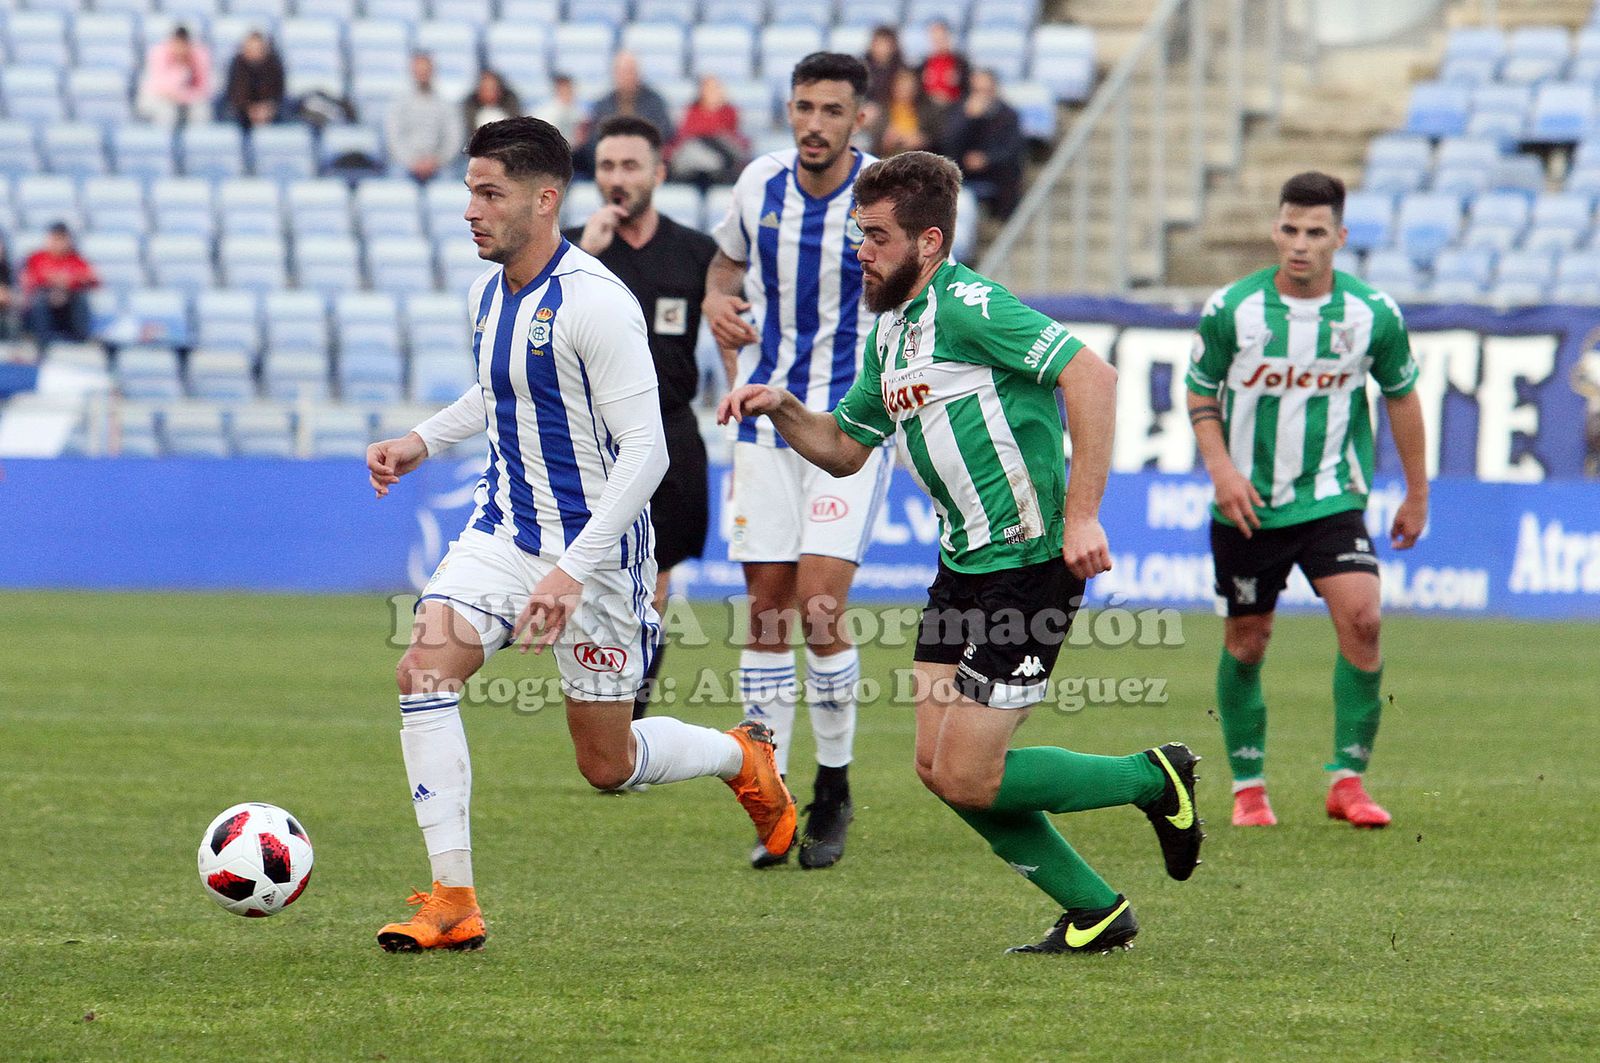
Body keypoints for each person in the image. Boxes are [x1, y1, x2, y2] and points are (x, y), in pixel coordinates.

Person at [717, 150, 1203, 953]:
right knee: (939, 770)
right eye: (856, 234)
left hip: (1030, 564)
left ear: (930, 242)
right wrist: (780, 407)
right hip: (960, 572)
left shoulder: (970, 304)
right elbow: (843, 447)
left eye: (875, 236)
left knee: (975, 774)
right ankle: (1096, 910)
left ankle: (1156, 776)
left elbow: (1093, 377)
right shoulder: (889, 335)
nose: (860, 251)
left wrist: (1083, 517)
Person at [364, 117, 795, 952]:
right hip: (503, 530)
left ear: (544, 199)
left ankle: (742, 756)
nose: (471, 212)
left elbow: (649, 453)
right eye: (470, 192)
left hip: (597, 555)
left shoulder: (597, 303)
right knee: (423, 669)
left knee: (607, 762)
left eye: (489, 194)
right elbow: (501, 391)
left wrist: (570, 571)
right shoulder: (485, 292)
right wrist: (422, 439)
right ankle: (453, 898)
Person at [1185, 171, 1428, 830]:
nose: (1299, 244)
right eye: (1289, 229)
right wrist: (1222, 471)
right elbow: (1201, 391)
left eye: (1315, 232)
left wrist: (1416, 492)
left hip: (1331, 497)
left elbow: (1402, 396)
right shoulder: (1232, 308)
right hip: (1247, 503)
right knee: (1248, 639)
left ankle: (1347, 778)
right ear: (1275, 229)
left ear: (1339, 238)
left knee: (1364, 618)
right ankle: (1248, 786)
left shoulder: (1371, 314)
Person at [702, 52, 891, 871]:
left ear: (860, 120)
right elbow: (724, 264)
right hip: (760, 425)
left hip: (847, 424)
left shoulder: (886, 193)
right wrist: (716, 298)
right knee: (768, 610)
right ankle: (771, 797)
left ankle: (835, 785)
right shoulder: (759, 185)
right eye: (803, 107)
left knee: (819, 605)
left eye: (832, 110)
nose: (814, 124)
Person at [564, 116, 719, 721]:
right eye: (606, 167)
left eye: (630, 166)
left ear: (659, 172)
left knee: (654, 581)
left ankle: (633, 717)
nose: (617, 179)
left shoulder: (696, 253)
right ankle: (602, 711)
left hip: (668, 428)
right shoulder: (571, 251)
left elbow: (738, 326)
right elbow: (535, 329)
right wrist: (585, 254)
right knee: (596, 583)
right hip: (591, 437)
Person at [941, 69, 1024, 219]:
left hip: (996, 168)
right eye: (977, 91)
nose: (982, 95)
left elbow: (1011, 148)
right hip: (964, 165)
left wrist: (987, 159)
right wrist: (968, 119)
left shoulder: (1008, 114)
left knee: (1011, 173)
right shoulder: (958, 111)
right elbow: (949, 143)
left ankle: (1002, 219)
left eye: (986, 90)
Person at [385, 52, 464, 184]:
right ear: (412, 72)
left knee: (451, 182)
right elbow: (393, 139)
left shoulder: (446, 104)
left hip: (439, 165)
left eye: (425, 71)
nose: (422, 75)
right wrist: (412, 162)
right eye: (418, 71)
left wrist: (437, 161)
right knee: (395, 181)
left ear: (432, 71)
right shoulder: (397, 104)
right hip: (405, 165)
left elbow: (454, 139)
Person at [22, 223, 99, 348]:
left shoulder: (76, 259)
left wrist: (68, 283)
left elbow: (93, 280)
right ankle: (42, 344)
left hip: (68, 304)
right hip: (43, 302)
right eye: (55, 239)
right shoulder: (36, 258)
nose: (58, 243)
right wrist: (52, 283)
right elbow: (28, 281)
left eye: (61, 239)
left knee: (81, 298)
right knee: (40, 299)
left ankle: (80, 343)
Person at [666, 75, 748, 186]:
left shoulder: (730, 113)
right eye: (709, 89)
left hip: (722, 162)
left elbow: (732, 141)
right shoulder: (691, 112)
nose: (714, 93)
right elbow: (686, 137)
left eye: (716, 88)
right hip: (694, 163)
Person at [588, 52, 675, 148]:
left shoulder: (655, 102)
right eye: (622, 72)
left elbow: (665, 133)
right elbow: (595, 136)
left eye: (631, 71)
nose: (627, 76)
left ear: (639, 73)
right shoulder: (602, 105)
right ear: (614, 74)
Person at [135, 25, 214, 127]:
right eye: (177, 44)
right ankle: (163, 140)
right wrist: (180, 72)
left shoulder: (199, 56)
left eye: (183, 45)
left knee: (201, 111)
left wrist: (183, 96)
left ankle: (195, 141)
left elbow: (204, 88)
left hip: (188, 98)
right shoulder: (158, 53)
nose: (180, 49)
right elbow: (158, 85)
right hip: (158, 96)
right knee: (167, 111)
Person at [917, 19, 969, 141]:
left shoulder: (961, 63)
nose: (938, 41)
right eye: (935, 38)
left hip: (954, 108)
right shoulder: (923, 64)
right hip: (927, 109)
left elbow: (967, 88)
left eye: (941, 37)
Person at [223, 30, 285, 129]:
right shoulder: (237, 63)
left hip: (269, 108)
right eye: (250, 48)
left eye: (257, 48)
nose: (253, 51)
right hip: (243, 109)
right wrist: (249, 109)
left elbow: (279, 92)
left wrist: (267, 108)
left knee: (286, 111)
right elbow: (233, 93)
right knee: (226, 112)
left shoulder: (274, 63)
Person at [871, 68, 936, 158]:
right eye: (902, 87)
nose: (906, 91)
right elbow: (875, 142)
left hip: (919, 158)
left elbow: (936, 137)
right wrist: (886, 141)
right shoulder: (883, 111)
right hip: (890, 158)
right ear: (893, 87)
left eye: (910, 87)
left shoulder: (927, 111)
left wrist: (923, 140)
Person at [863, 25, 906, 115]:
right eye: (878, 43)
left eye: (885, 44)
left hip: (893, 110)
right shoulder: (862, 66)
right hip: (867, 108)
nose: (881, 48)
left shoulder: (901, 69)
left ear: (893, 46)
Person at [533, 74, 585, 147]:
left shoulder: (580, 113)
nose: (568, 93)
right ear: (557, 90)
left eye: (569, 89)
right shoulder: (545, 113)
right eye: (564, 90)